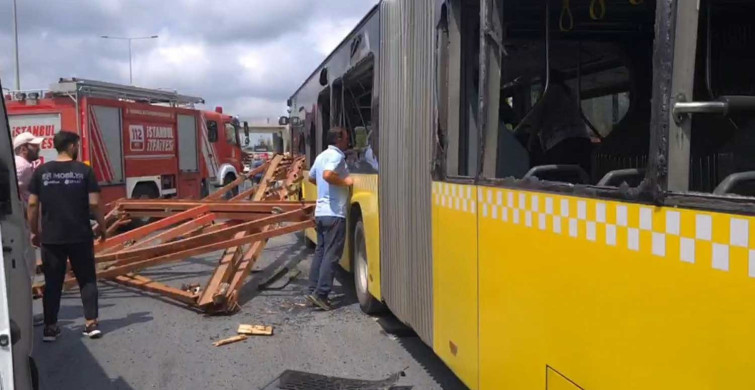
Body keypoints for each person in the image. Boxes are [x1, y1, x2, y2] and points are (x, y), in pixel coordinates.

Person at [28, 130, 106, 342]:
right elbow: (94, 203)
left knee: (53, 282)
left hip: (52, 238)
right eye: (77, 145)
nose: (78, 148)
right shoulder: (84, 171)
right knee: (87, 279)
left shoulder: (42, 172)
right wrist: (103, 226)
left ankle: (50, 327)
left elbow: (33, 204)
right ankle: (91, 324)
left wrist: (35, 231)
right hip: (80, 235)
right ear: (72, 146)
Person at [306, 127, 353, 310]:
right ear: (339, 139)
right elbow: (327, 175)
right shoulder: (337, 156)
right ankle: (321, 293)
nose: (348, 142)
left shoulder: (320, 156)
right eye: (346, 138)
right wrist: (345, 183)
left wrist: (326, 190)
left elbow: (312, 178)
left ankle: (312, 289)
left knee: (321, 252)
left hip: (321, 212)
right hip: (334, 213)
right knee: (332, 255)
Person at [13, 132, 44, 208]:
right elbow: (11, 189)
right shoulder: (22, 165)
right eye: (35, 146)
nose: (38, 148)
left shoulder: (19, 163)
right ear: (23, 149)